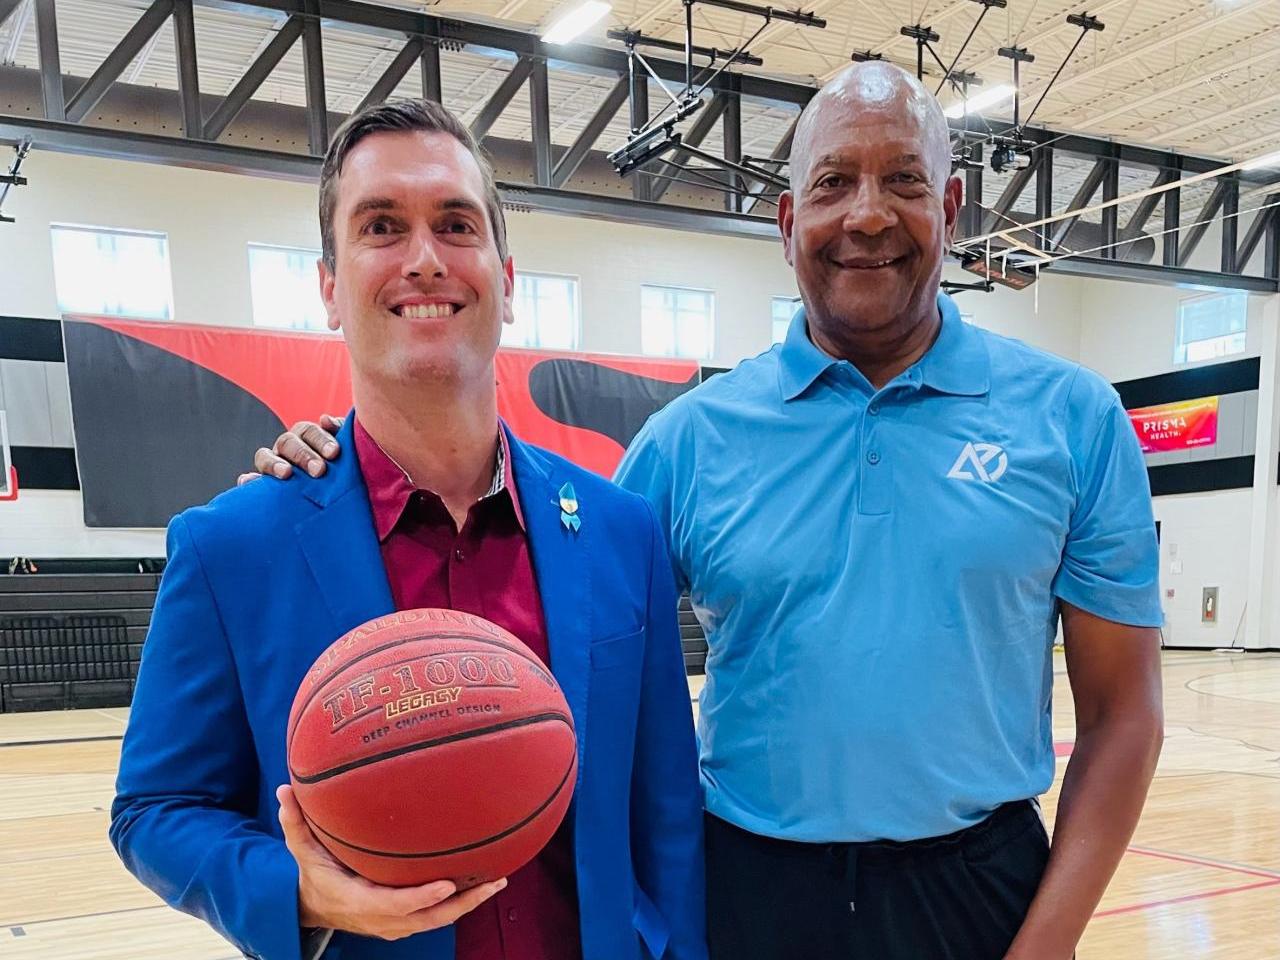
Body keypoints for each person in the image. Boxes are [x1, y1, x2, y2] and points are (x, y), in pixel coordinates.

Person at [258, 64, 1164, 960]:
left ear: (954, 210)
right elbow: (534, 619)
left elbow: (1124, 716)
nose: (868, 215)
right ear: (786, 222)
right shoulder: (687, 442)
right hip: (746, 888)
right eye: (833, 184)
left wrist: (1046, 945)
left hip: (982, 889)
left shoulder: (1074, 421)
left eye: (904, 182)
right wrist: (347, 466)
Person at [111, 99, 706, 960]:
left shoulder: (620, 530)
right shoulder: (232, 547)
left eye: (455, 224)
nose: (424, 259)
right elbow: (154, 810)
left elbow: (667, 813)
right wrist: (298, 893)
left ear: (506, 277)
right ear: (329, 288)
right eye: (382, 226)